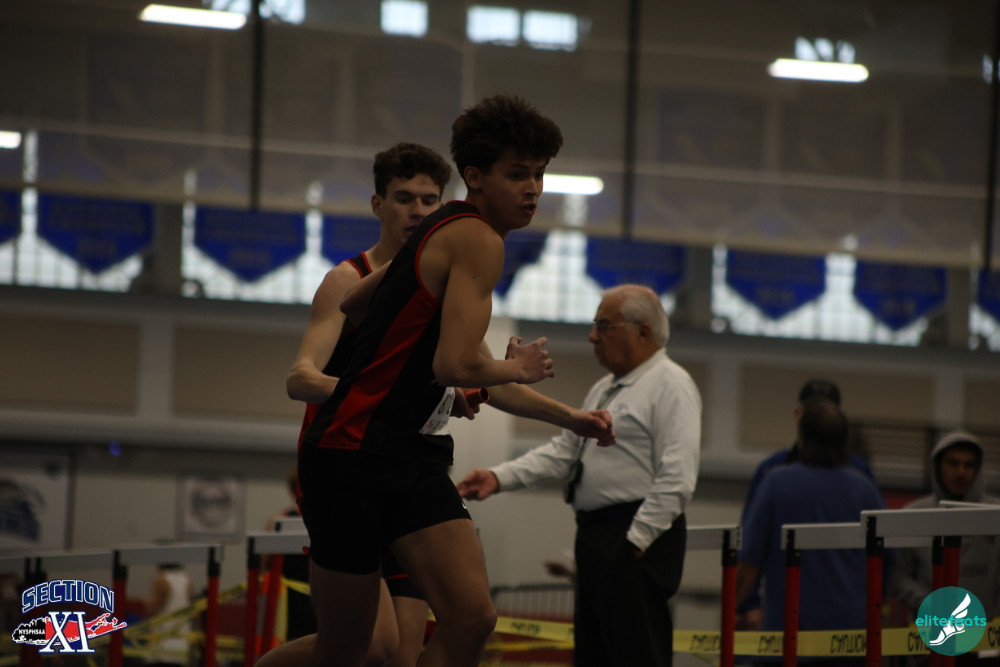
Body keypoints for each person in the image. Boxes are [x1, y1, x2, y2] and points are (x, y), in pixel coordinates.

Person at [287, 94, 613, 667]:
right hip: (350, 454)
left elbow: (361, 305)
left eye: (539, 174)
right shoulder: (477, 239)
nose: (533, 189)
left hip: (410, 452)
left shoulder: (438, 229)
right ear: (476, 177)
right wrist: (516, 365)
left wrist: (570, 418)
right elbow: (453, 367)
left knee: (472, 616)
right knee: (351, 649)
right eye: (518, 174)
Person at [257, 142, 452, 667]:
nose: (417, 211)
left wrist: (568, 416)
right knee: (368, 648)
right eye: (404, 198)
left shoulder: (442, 287)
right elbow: (300, 378)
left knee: (404, 653)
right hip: (342, 471)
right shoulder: (347, 279)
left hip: (407, 471)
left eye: (429, 200)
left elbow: (464, 372)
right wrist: (374, 393)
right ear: (378, 205)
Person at [458, 284, 702, 667]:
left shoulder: (671, 384)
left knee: (636, 655)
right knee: (594, 654)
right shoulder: (606, 388)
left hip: (635, 535)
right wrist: (499, 477)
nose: (592, 336)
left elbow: (678, 477)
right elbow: (564, 452)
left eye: (604, 325)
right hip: (599, 534)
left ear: (643, 332)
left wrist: (635, 541)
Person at [736, 397, 886, 666]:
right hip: (851, 641)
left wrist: (735, 608)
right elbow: (887, 560)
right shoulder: (865, 488)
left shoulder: (775, 482)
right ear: (844, 442)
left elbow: (748, 564)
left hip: (786, 639)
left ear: (802, 439)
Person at [887, 431, 1000, 667]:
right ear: (937, 466)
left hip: (985, 638)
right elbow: (897, 576)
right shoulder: (914, 514)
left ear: (978, 469)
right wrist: (929, 603)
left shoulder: (995, 514)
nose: (961, 472)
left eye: (969, 465)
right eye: (953, 463)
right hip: (930, 638)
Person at [145, 562, 194, 667]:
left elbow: (151, 609)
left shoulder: (161, 581)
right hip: (182, 643)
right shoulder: (187, 581)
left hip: (162, 644)